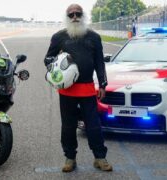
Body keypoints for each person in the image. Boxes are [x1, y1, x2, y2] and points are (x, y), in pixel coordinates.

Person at [44, 4, 112, 172]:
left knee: (93, 124)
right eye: (71, 14)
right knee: (68, 125)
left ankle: (100, 157)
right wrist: (58, 65)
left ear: (83, 16)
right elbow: (48, 59)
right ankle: (69, 158)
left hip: (88, 88)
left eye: (78, 14)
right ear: (67, 17)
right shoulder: (58, 37)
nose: (75, 17)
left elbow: (99, 63)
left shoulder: (94, 37)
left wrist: (102, 83)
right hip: (67, 90)